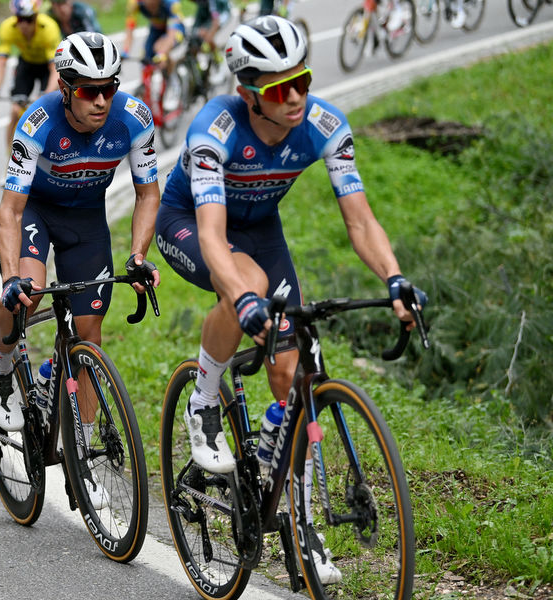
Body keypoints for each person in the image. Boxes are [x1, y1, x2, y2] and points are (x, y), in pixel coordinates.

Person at [155, 16, 428, 584]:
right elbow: (213, 238)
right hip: (191, 222)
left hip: (262, 229)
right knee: (247, 284)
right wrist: (242, 300)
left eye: (302, 81)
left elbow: (360, 221)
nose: (297, 96)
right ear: (249, 93)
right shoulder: (214, 130)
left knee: (291, 375)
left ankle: (302, 526)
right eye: (281, 89)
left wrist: (395, 278)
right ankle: (203, 399)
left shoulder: (324, 124)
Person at [0, 32, 160, 504]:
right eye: (88, 90)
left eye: (109, 88)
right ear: (65, 89)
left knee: (88, 335)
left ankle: (81, 455)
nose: (101, 100)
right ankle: (0, 365)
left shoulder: (134, 118)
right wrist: (10, 277)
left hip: (87, 222)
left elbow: (148, 194)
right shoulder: (38, 122)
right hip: (37, 213)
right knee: (29, 294)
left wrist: (138, 256)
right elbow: (10, 210)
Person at [0, 0, 62, 153]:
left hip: (47, 67)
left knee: (46, 110)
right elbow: (1, 63)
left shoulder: (49, 28)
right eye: (20, 19)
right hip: (27, 65)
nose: (24, 25)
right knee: (15, 110)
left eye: (29, 19)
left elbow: (55, 69)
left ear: (36, 17)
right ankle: (10, 155)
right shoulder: (7, 28)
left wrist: (46, 94)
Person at [122, 0, 185, 66]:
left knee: (159, 48)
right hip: (156, 29)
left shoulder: (170, 3)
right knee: (146, 59)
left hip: (175, 29)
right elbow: (129, 30)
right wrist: (125, 51)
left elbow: (172, 33)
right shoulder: (135, 3)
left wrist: (162, 53)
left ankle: (172, 69)